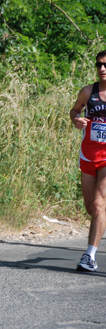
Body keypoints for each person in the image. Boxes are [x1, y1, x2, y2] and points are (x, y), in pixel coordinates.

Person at [70, 49, 106, 272]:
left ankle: (89, 256)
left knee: (99, 203)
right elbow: (74, 111)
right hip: (88, 154)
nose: (103, 69)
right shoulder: (88, 91)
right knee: (90, 207)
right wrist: (76, 120)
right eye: (99, 65)